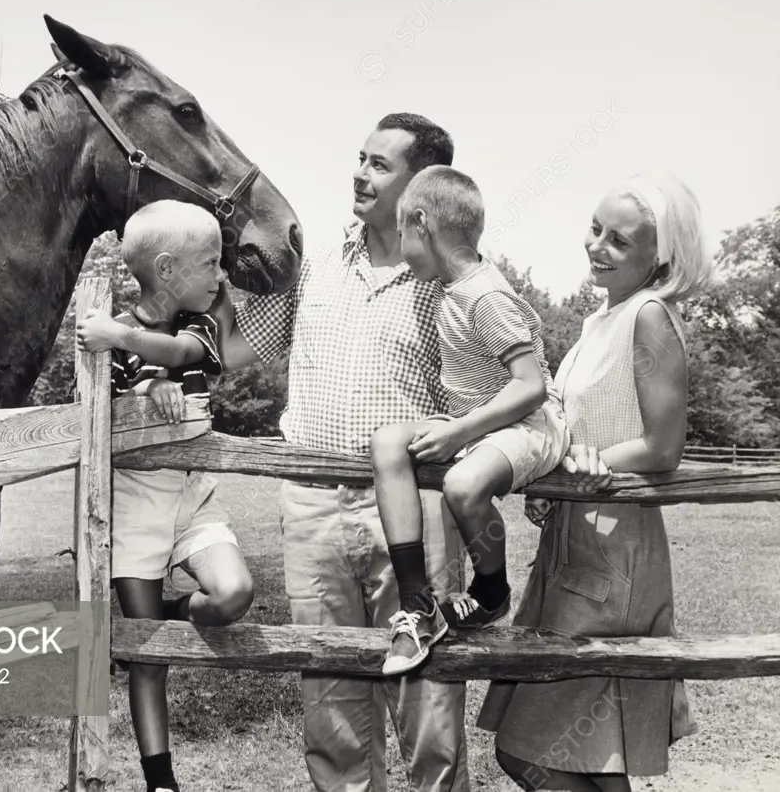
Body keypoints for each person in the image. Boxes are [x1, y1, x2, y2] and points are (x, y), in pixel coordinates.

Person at [214, 114, 471, 792]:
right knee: (330, 713)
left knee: (428, 708)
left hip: (414, 510)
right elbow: (249, 347)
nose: (360, 173)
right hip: (311, 507)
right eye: (360, 158)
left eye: (380, 164)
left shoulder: (451, 280)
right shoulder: (317, 261)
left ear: (422, 184)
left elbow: (498, 394)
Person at [477, 170, 712, 792]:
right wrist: (555, 479)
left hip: (616, 549)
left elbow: (663, 447)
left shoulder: (649, 316)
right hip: (575, 538)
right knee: (574, 756)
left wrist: (586, 464)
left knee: (552, 751)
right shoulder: (598, 320)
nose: (597, 246)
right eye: (594, 228)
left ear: (657, 259)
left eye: (620, 241)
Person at [76, 199, 254, 792]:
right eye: (211, 262)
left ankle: (173, 616)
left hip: (191, 497)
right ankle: (161, 781)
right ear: (168, 268)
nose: (221, 275)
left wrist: (138, 356)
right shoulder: (113, 342)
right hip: (134, 505)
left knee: (232, 593)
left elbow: (183, 357)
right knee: (149, 657)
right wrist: (145, 387)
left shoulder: (194, 325)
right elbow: (114, 400)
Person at [369, 165, 569, 676]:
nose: (398, 245)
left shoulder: (485, 295)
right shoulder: (450, 285)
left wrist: (459, 432)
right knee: (388, 442)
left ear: (420, 223)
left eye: (400, 231)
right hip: (479, 421)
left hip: (528, 422)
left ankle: (491, 590)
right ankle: (418, 603)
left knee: (462, 485)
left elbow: (531, 386)